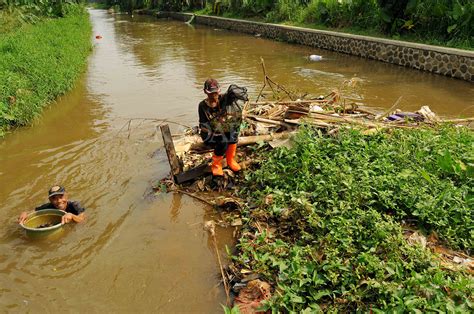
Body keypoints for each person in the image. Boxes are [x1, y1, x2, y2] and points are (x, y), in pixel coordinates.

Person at [198, 78, 248, 176]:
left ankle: (230, 160)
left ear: (219, 91)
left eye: (215, 93)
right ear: (205, 92)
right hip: (209, 133)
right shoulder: (202, 106)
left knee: (234, 133)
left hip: (224, 129)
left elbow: (235, 96)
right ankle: (216, 165)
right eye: (210, 93)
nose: (213, 95)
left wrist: (232, 94)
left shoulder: (224, 99)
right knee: (223, 141)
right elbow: (203, 125)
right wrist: (213, 131)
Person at [18, 185, 85, 225]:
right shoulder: (49, 206)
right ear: (50, 200)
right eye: (54, 198)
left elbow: (82, 220)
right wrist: (25, 213)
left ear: (66, 196)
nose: (59, 201)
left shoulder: (75, 205)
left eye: (61, 197)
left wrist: (72, 215)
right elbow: (33, 212)